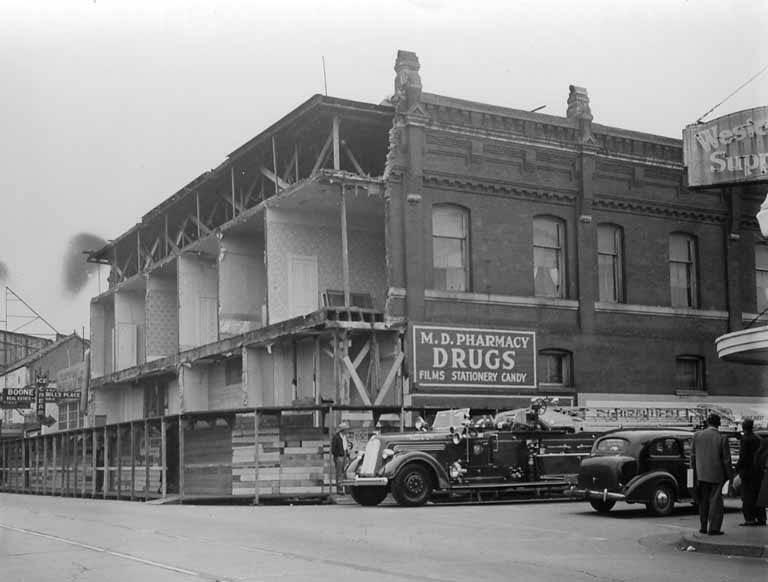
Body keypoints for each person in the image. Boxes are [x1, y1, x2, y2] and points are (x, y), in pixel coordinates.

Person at [691, 413, 732, 535]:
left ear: (707, 423)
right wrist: (730, 476)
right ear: (718, 424)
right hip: (716, 474)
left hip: (701, 474)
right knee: (715, 501)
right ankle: (713, 528)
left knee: (703, 501)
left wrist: (695, 472)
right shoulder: (722, 438)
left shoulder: (697, 436)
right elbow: (726, 460)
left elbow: (692, 457)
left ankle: (703, 526)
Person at [735, 419, 763, 526]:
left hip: (747, 471)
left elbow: (743, 456)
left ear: (743, 427)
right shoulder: (758, 438)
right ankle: (761, 518)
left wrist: (737, 468)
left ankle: (749, 519)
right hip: (758, 471)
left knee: (747, 496)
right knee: (757, 494)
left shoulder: (745, 439)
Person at [331, 421, 351, 494]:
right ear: (343, 430)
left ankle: (347, 489)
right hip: (339, 456)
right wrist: (337, 455)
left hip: (345, 454)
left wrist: (348, 454)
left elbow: (346, 446)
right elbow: (333, 449)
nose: (347, 430)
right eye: (346, 429)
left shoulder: (345, 437)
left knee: (346, 472)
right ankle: (339, 490)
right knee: (339, 473)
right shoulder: (336, 437)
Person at [754, 435, 768, 526]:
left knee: (761, 500)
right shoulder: (765, 453)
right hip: (764, 476)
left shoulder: (759, 453)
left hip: (760, 477)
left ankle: (761, 518)